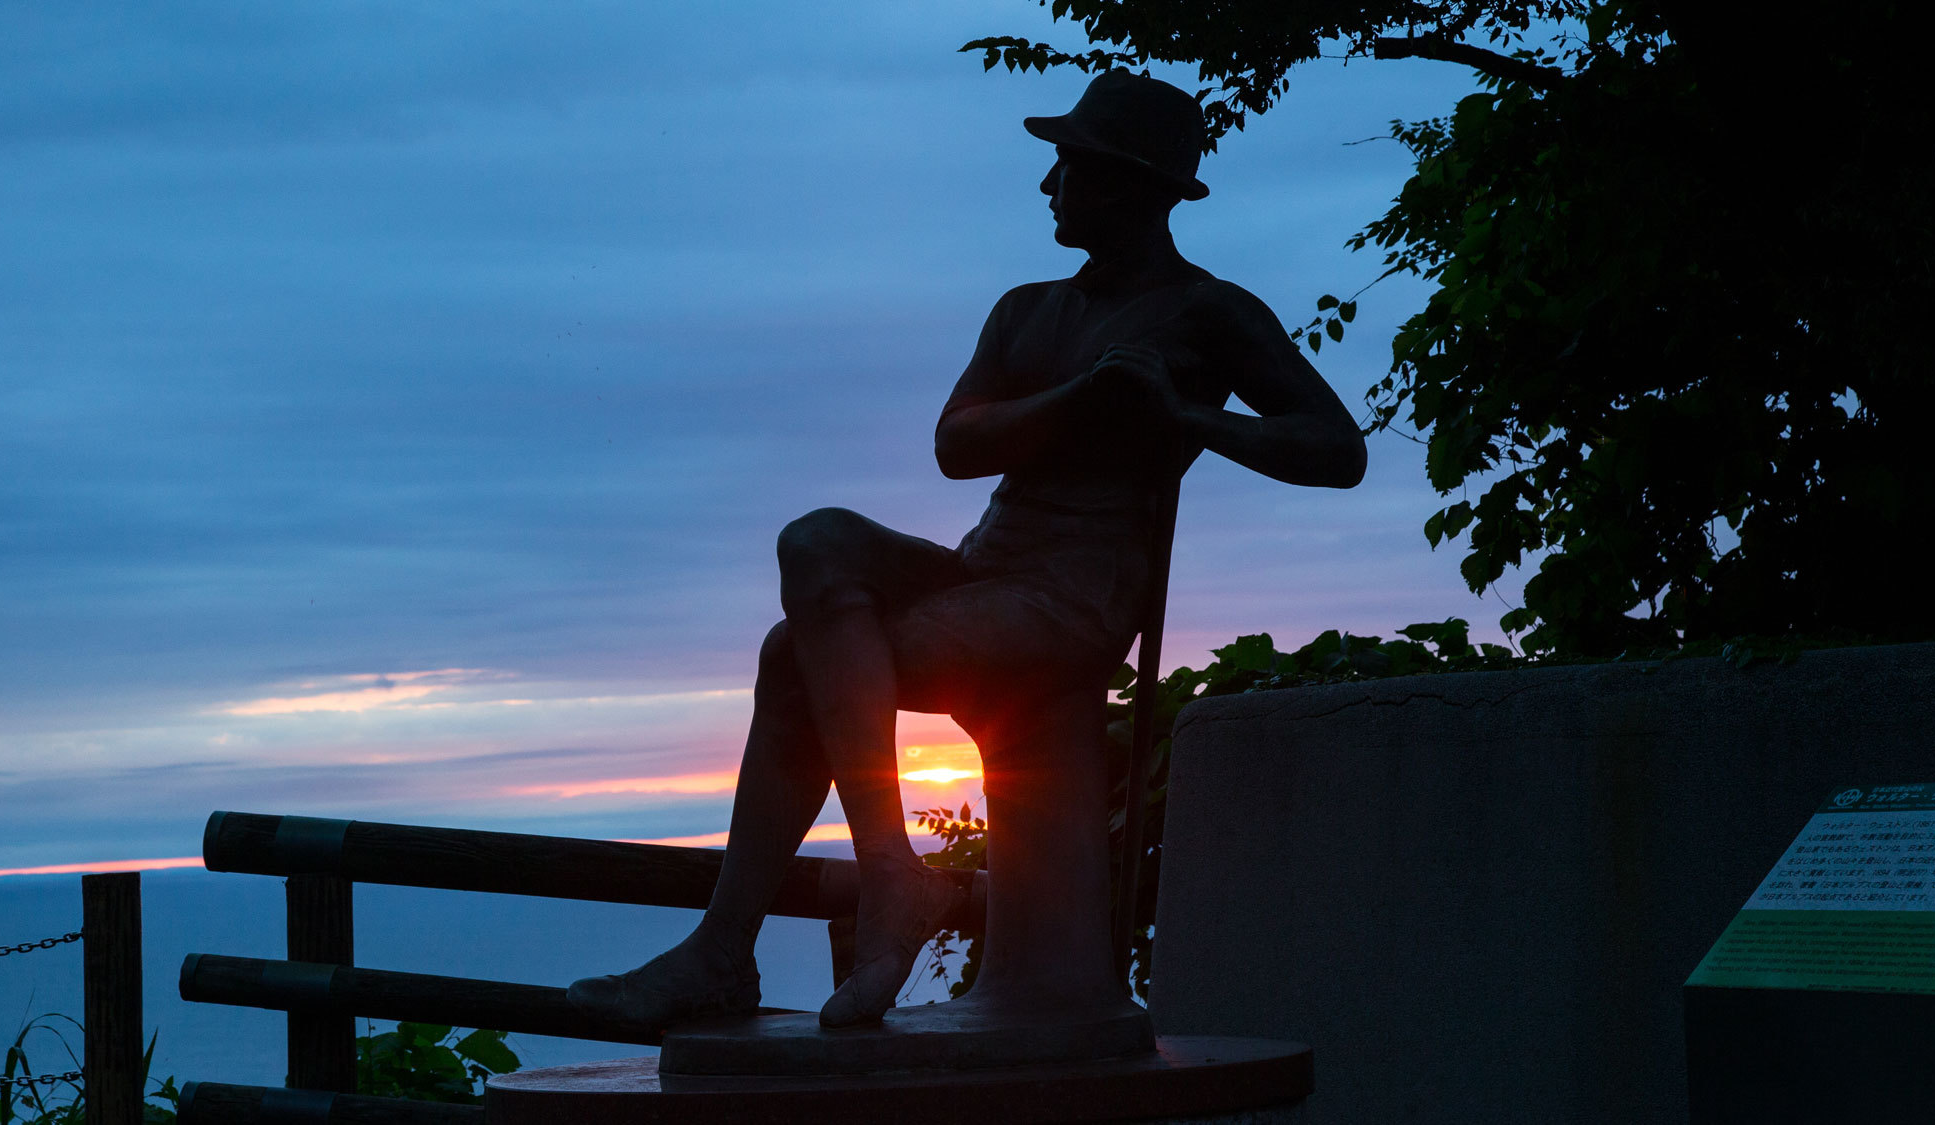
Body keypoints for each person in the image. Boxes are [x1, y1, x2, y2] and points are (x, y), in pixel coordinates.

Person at [570, 70, 1366, 1032]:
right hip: (985, 566)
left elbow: (1337, 449)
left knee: (799, 657)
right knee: (814, 540)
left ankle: (738, 941)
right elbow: (957, 446)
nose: (1047, 188)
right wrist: (1081, 401)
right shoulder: (1026, 309)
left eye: (1065, 167)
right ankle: (878, 880)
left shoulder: (1212, 313)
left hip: (1073, 601)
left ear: (1122, 181)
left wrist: (1187, 414)